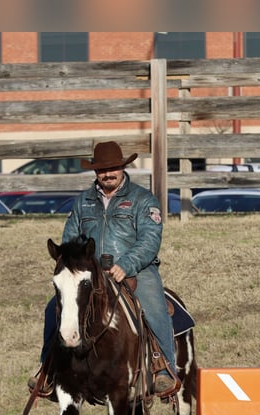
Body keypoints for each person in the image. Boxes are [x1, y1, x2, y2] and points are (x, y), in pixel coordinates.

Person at [29, 141, 177, 395]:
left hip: (137, 269)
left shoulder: (143, 199)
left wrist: (126, 264)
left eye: (113, 168)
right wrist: (74, 266)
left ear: (122, 167)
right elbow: (71, 240)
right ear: (95, 172)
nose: (108, 174)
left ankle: (163, 367)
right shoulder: (83, 202)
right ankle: (48, 369)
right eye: (101, 170)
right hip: (92, 272)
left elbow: (150, 240)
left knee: (153, 305)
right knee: (53, 308)